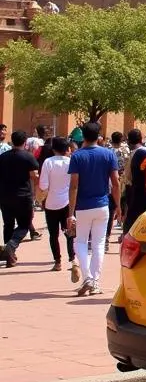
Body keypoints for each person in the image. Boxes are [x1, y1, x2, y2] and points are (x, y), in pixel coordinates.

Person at [67, 122, 120, 296]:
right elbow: (116, 183)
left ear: (83, 135)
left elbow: (73, 186)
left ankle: (88, 278)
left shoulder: (77, 156)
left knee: (80, 242)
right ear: (99, 136)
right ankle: (95, 281)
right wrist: (118, 205)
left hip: (83, 206)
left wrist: (70, 212)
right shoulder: (108, 154)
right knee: (98, 244)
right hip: (103, 204)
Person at [0, 130, 40, 267]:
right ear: (24, 142)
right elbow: (34, 177)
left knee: (8, 224)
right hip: (23, 196)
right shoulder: (28, 157)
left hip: (4, 195)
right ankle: (12, 245)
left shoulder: (3, 157)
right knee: (24, 224)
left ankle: (9, 255)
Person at [38, 136, 76, 275]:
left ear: (53, 149)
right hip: (67, 202)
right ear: (67, 149)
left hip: (51, 203)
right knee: (69, 233)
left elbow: (43, 185)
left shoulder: (48, 162)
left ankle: (57, 261)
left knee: (53, 234)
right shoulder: (71, 162)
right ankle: (73, 259)